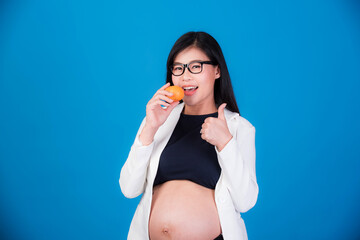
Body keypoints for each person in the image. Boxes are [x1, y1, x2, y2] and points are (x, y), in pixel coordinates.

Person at [119, 31, 258, 240]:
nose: (185, 76)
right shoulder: (158, 121)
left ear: (217, 70)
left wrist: (225, 143)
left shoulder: (239, 128)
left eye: (195, 66)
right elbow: (129, 189)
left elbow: (246, 202)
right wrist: (150, 128)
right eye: (178, 68)